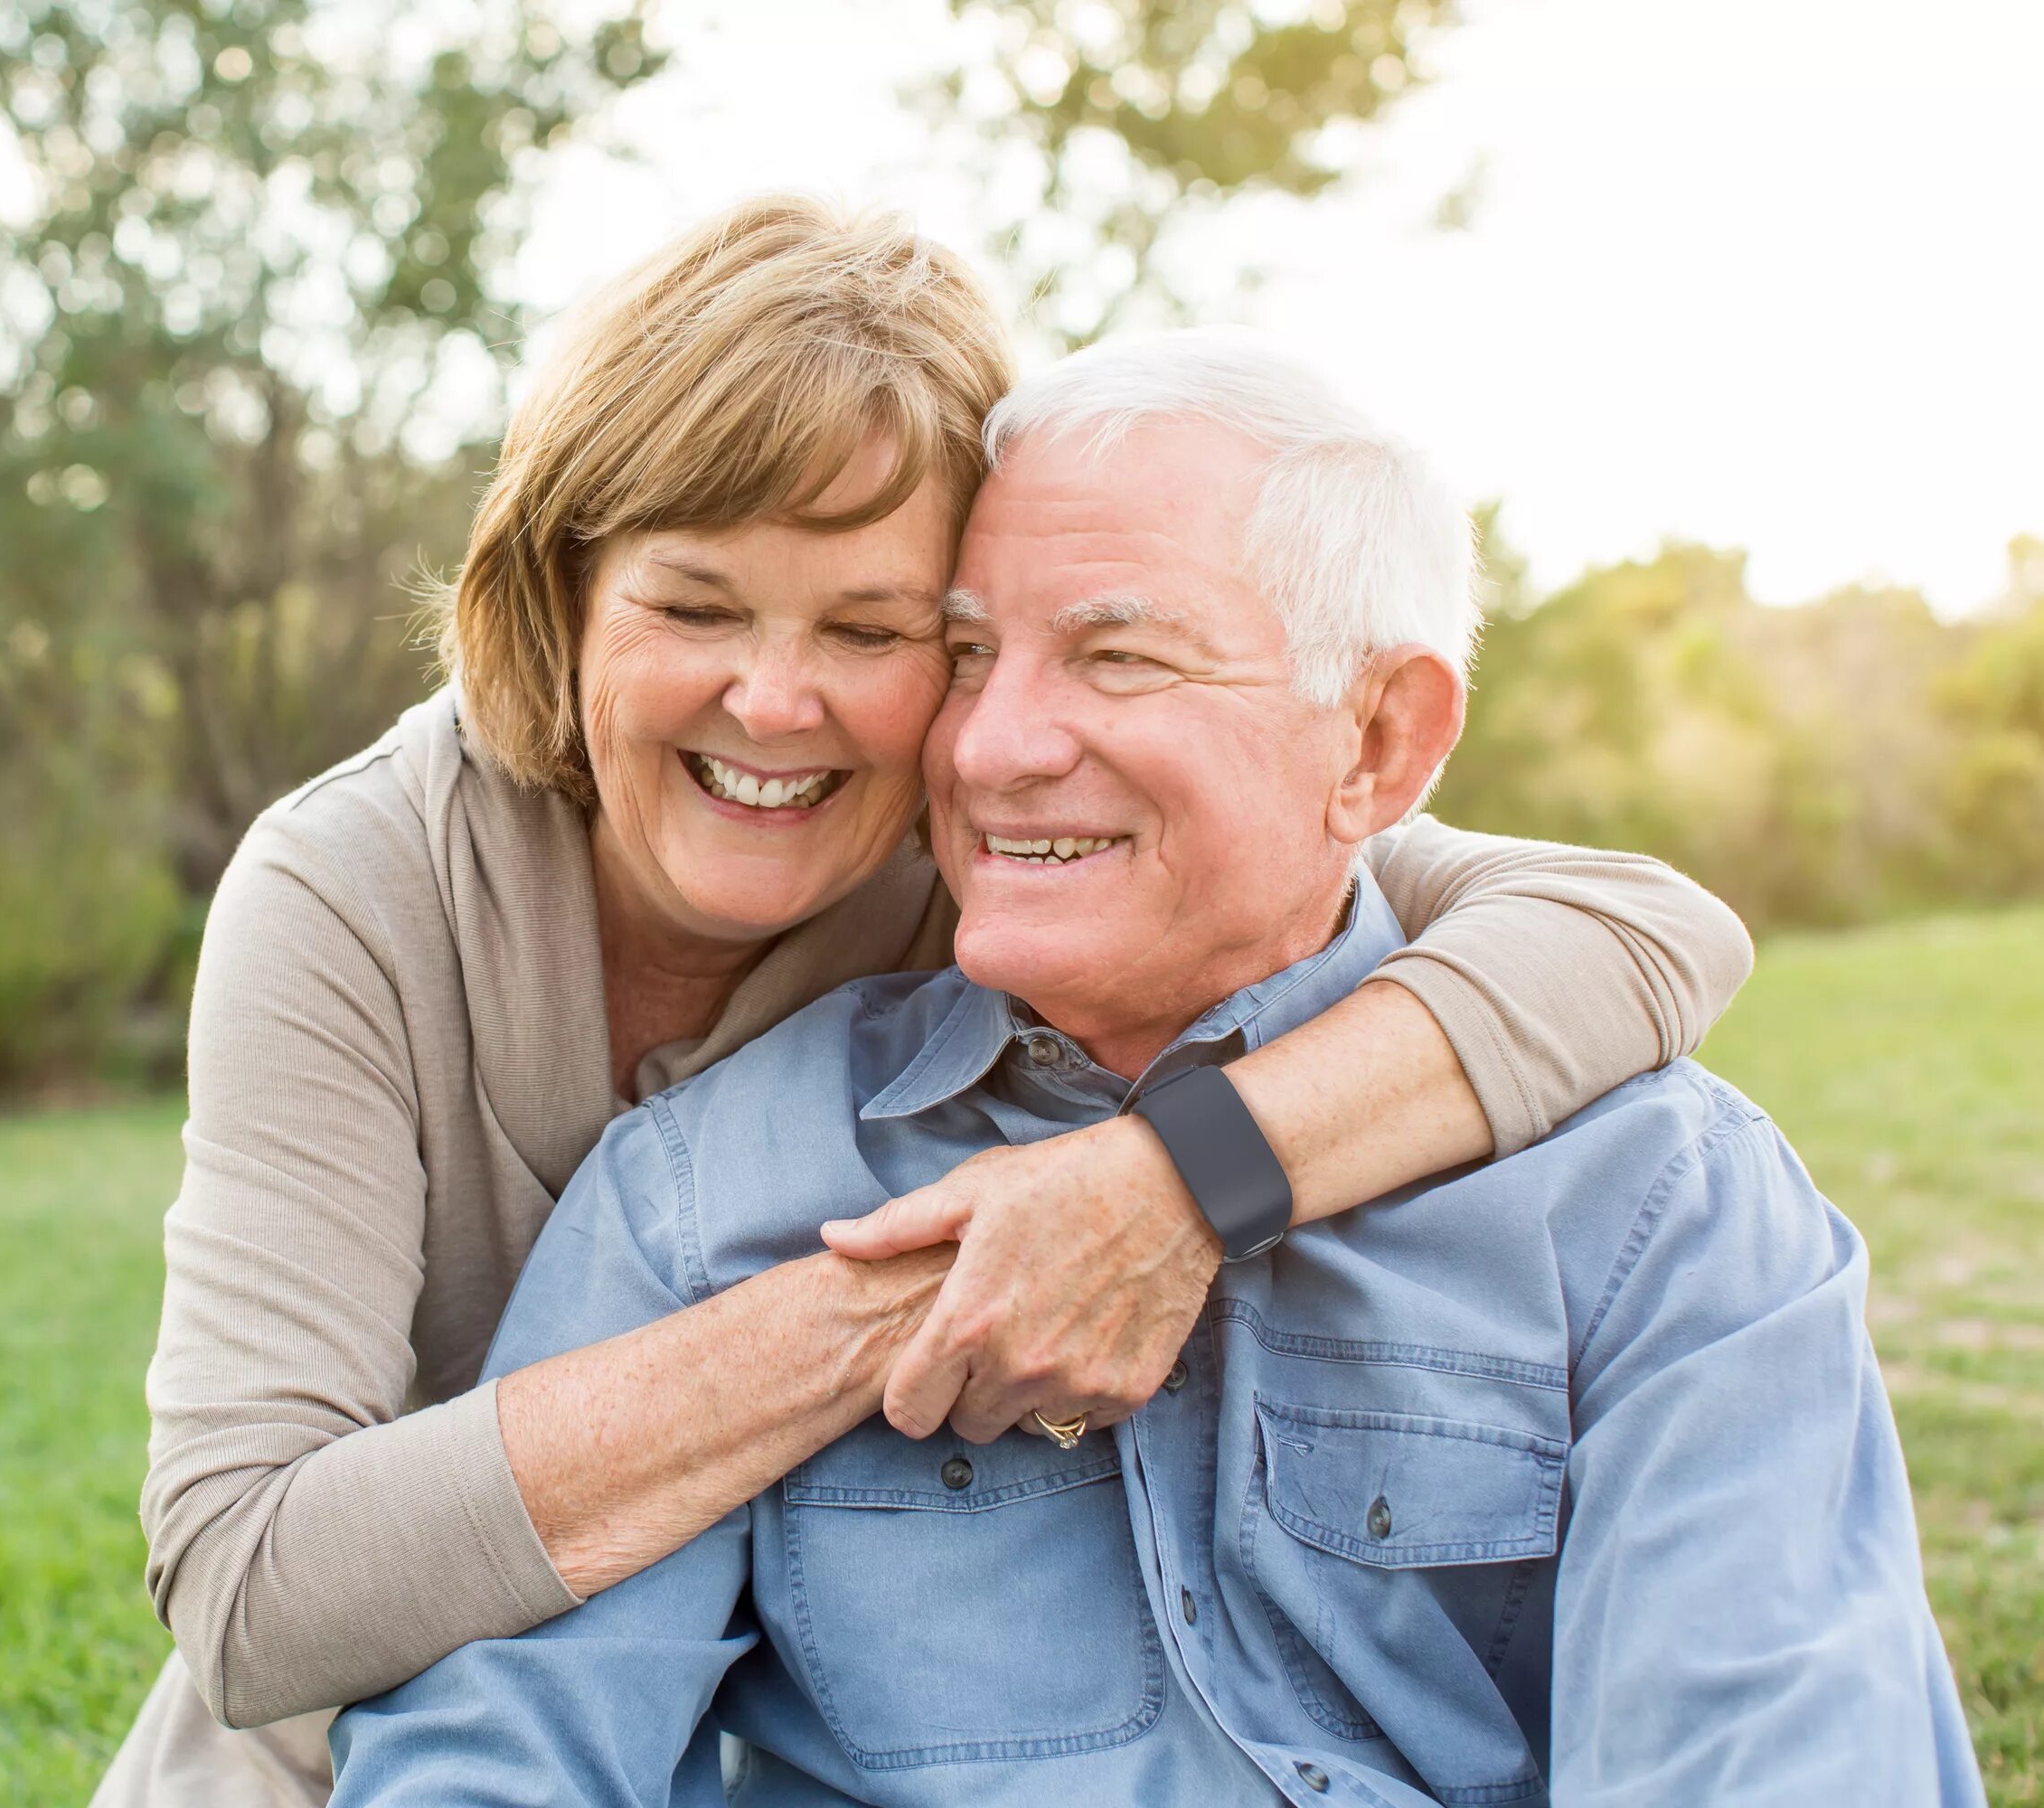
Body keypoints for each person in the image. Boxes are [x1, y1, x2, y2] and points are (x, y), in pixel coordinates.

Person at [92, 201, 1757, 1806]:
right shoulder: (357, 890)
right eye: (691, 604)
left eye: (876, 628)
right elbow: (251, 1587)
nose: (776, 700)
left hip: (769, 1665)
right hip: (352, 1720)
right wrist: (944, 1283)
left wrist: (1174, 1183)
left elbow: (1635, 926)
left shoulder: (1007, 844)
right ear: (564, 594)